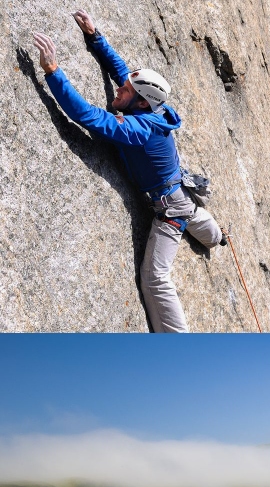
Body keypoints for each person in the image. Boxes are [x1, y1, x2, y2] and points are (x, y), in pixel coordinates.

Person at [33, 11, 225, 332]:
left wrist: (53, 72)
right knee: (193, 214)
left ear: (139, 105)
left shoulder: (138, 128)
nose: (119, 88)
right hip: (178, 190)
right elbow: (122, 71)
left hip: (170, 207)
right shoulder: (152, 106)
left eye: (126, 90)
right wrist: (96, 38)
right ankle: (218, 237)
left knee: (154, 278)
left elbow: (88, 116)